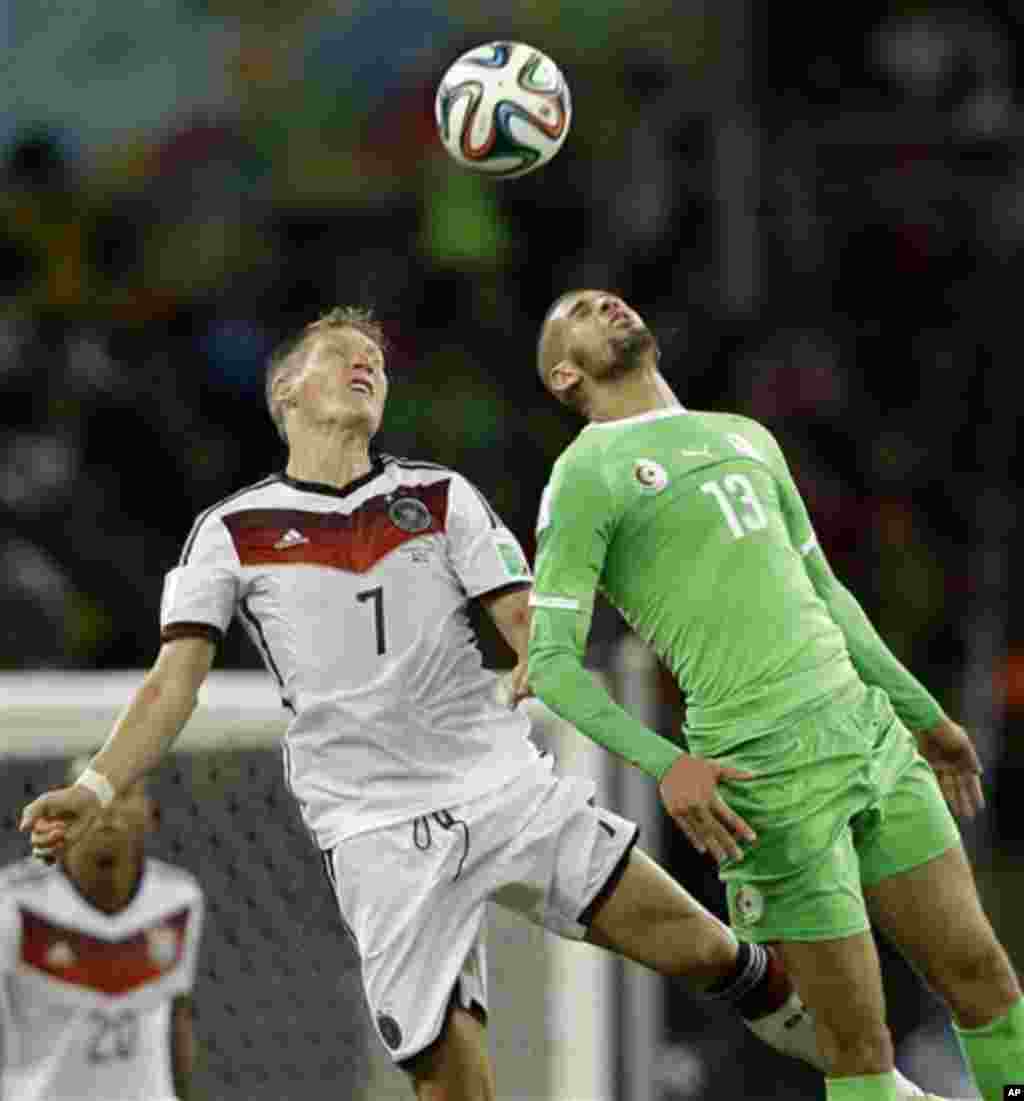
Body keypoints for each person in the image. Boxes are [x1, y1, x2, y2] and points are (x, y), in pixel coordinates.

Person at [26, 305, 850, 1101]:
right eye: (342, 353)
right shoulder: (231, 531)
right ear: (286, 393)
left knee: (709, 951)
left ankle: (873, 1073)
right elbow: (175, 683)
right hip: (376, 830)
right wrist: (96, 785)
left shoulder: (440, 495)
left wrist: (541, 651)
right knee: (452, 1082)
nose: (366, 366)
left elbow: (526, 618)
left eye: (376, 362)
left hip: (498, 785)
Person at [528, 289, 1024, 1101]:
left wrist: (922, 715)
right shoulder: (586, 473)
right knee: (860, 1042)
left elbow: (826, 591)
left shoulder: (744, 435)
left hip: (866, 733)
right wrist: (669, 763)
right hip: (762, 772)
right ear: (563, 373)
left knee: (983, 975)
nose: (606, 304)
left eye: (608, 297)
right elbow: (551, 665)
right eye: (580, 310)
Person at [2, 758, 203, 1101]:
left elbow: (177, 1020)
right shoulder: (15, 902)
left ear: (151, 814)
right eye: (89, 795)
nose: (106, 809)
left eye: (123, 794)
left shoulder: (179, 898)